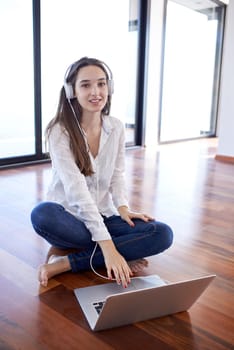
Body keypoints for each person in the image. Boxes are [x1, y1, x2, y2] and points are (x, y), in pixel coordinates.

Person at [30, 57, 173, 288]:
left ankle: (67, 262)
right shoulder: (59, 131)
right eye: (85, 85)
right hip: (69, 219)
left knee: (162, 233)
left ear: (109, 87)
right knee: (41, 214)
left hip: (105, 216)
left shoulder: (115, 126)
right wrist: (109, 247)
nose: (96, 91)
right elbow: (76, 189)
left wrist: (124, 209)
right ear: (72, 91)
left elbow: (117, 175)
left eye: (102, 84)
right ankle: (117, 249)